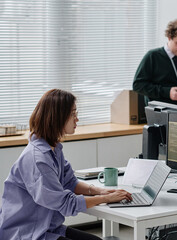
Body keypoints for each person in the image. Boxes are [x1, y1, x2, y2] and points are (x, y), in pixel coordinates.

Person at [0, 89, 132, 240]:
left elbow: (70, 182)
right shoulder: (38, 159)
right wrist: (106, 199)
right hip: (27, 233)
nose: (77, 119)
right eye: (73, 114)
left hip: (48, 228)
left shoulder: (53, 148)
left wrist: (101, 191)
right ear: (57, 117)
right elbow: (65, 203)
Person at [133, 19, 177, 111]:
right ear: (169, 37)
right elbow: (138, 85)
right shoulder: (153, 56)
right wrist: (168, 92)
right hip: (159, 113)